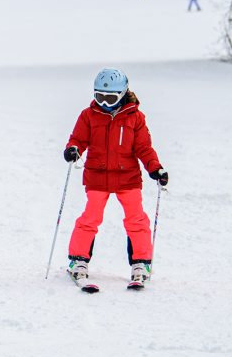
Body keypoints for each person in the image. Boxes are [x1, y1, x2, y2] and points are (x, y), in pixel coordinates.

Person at [64, 68, 168, 285]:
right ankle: (78, 260)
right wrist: (73, 149)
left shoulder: (135, 117)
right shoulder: (88, 115)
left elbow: (144, 148)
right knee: (90, 218)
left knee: (136, 219)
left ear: (122, 94)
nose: (104, 103)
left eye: (109, 98)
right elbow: (78, 138)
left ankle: (141, 262)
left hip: (127, 177)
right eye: (99, 97)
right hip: (97, 177)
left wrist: (155, 168)